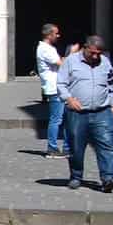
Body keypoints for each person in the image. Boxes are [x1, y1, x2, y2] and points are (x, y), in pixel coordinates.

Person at [57, 36, 113, 192]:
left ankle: (108, 178)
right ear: (85, 48)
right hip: (77, 112)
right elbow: (61, 84)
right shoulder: (71, 61)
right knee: (76, 147)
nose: (96, 56)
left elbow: (112, 84)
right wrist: (68, 99)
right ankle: (76, 176)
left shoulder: (105, 62)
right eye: (93, 53)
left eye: (99, 53)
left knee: (107, 145)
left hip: (102, 111)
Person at [35, 23, 64, 156]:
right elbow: (61, 63)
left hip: (58, 85)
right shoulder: (45, 49)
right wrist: (73, 54)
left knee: (61, 118)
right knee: (56, 119)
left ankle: (65, 147)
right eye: (56, 33)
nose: (58, 35)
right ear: (49, 34)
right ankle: (52, 148)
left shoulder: (49, 48)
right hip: (54, 86)